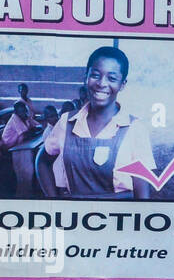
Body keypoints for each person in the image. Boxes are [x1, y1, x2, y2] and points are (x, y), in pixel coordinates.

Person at [44, 46, 157, 200]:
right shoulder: (67, 122)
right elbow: (42, 160)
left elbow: (142, 192)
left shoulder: (135, 129)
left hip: (118, 216)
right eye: (95, 75)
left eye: (112, 78)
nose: (101, 83)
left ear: (122, 84)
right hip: (74, 217)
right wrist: (53, 201)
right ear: (86, 77)